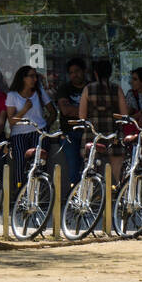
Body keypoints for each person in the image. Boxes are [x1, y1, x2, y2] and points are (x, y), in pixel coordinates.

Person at [79, 59, 129, 181]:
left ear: (95, 73)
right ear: (110, 73)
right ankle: (118, 195)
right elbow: (124, 115)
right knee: (117, 170)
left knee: (91, 168)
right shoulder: (116, 89)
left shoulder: (88, 89)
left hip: (93, 134)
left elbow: (82, 116)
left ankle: (92, 195)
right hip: (113, 133)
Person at [4, 65, 52, 187]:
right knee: (20, 163)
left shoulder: (39, 92)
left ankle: (39, 194)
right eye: (31, 76)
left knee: (39, 164)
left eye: (36, 76)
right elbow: (11, 121)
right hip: (19, 134)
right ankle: (20, 194)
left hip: (38, 131)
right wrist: (24, 110)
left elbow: (53, 112)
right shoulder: (13, 95)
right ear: (23, 78)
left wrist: (45, 128)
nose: (35, 79)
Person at [56, 57, 89, 191]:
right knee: (73, 165)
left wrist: (76, 111)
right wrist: (86, 111)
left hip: (88, 132)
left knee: (89, 166)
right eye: (71, 72)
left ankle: (88, 196)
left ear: (84, 71)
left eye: (77, 71)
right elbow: (65, 110)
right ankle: (74, 196)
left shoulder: (90, 87)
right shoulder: (64, 88)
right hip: (69, 133)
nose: (74, 75)